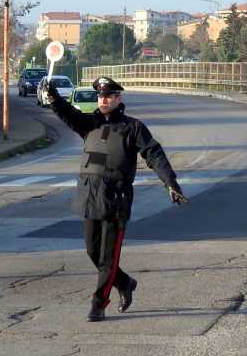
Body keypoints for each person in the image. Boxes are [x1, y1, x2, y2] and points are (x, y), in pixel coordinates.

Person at [44, 76, 187, 322]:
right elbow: (69, 115)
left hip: (115, 200)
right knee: (93, 251)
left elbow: (154, 153)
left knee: (108, 259)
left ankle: (99, 303)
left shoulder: (133, 127)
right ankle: (125, 282)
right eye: (100, 96)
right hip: (91, 197)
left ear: (118, 98)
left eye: (108, 96)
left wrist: (170, 182)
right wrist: (54, 98)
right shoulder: (90, 124)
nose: (104, 100)